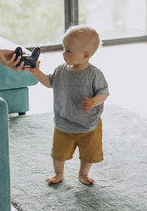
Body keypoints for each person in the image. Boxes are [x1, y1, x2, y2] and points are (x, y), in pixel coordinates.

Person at [27, 25, 109, 185]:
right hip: (64, 122)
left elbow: (103, 93)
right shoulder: (61, 69)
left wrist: (93, 102)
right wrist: (37, 73)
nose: (63, 54)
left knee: (88, 154)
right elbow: (50, 82)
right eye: (64, 49)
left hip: (88, 125)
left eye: (69, 51)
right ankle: (58, 173)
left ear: (86, 55)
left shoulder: (94, 74)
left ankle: (83, 174)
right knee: (58, 153)